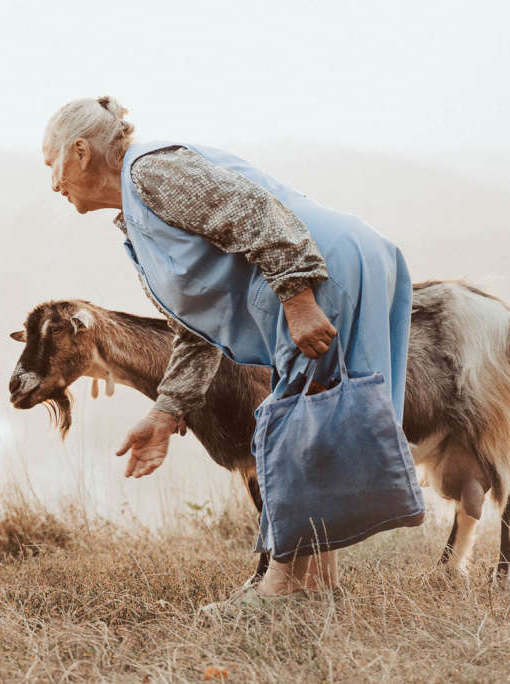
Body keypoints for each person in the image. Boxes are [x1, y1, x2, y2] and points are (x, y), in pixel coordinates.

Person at [41, 97, 413, 609]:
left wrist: (298, 298)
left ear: (80, 152)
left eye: (51, 165)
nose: (53, 183)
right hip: (325, 271)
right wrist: (167, 411)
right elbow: (198, 328)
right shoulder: (136, 215)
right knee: (315, 419)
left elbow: (257, 214)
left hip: (321, 275)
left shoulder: (153, 171)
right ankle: (315, 586)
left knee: (293, 424)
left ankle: (282, 590)